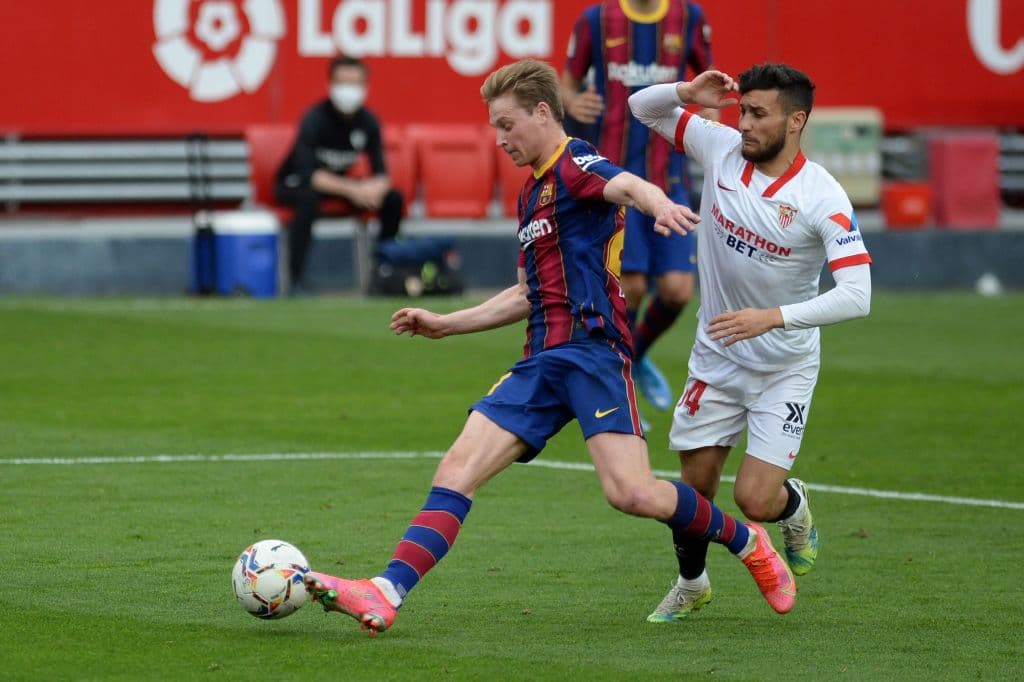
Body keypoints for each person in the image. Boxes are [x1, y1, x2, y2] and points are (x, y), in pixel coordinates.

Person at [302, 58, 796, 636]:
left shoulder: (575, 162)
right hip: (541, 360)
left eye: (507, 124)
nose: (500, 138)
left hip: (593, 354)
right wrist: (446, 323)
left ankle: (746, 538)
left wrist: (657, 204)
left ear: (542, 112)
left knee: (632, 493)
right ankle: (386, 591)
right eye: (494, 127)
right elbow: (527, 293)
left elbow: (625, 183)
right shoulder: (531, 193)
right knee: (457, 467)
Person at [627, 64, 872, 621]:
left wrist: (774, 318)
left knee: (755, 501)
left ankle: (795, 506)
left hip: (783, 366)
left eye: (760, 114)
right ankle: (692, 585)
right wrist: (685, 94)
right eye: (743, 111)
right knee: (694, 488)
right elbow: (643, 109)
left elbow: (858, 295)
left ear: (796, 121)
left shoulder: (822, 197)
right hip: (716, 358)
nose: (745, 125)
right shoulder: (719, 149)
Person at [562, 0, 715, 417]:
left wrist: (710, 129)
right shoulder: (597, 19)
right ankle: (620, 383)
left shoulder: (689, 18)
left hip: (671, 179)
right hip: (616, 181)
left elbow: (709, 88)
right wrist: (572, 103)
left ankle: (637, 355)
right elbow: (567, 83)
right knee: (633, 288)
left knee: (678, 290)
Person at [275, 54, 403, 294]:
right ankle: (296, 280)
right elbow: (309, 174)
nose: (349, 90)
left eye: (354, 83)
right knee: (308, 200)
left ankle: (384, 272)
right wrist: (354, 190)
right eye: (343, 83)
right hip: (294, 183)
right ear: (330, 85)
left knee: (393, 199)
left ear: (365, 87)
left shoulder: (368, 121)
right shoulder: (314, 118)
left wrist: (373, 191)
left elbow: (382, 174)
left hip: (340, 187)